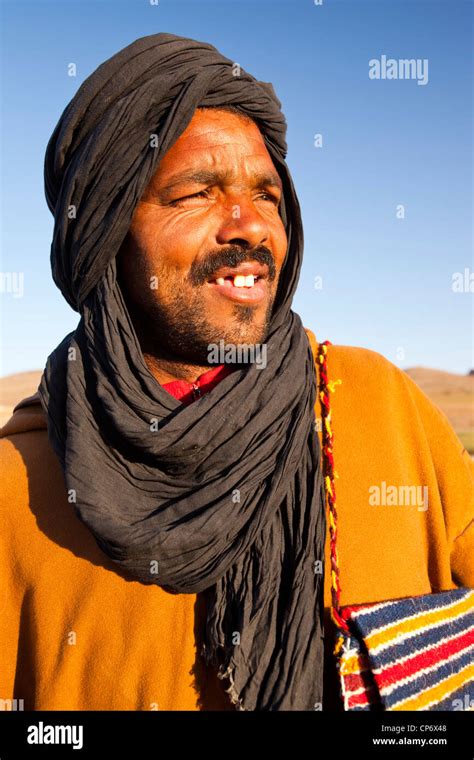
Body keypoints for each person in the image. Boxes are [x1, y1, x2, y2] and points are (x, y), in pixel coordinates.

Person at [1, 33, 472, 712]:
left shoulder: (376, 406)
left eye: (268, 194)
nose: (250, 226)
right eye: (196, 193)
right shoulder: (17, 494)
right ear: (103, 232)